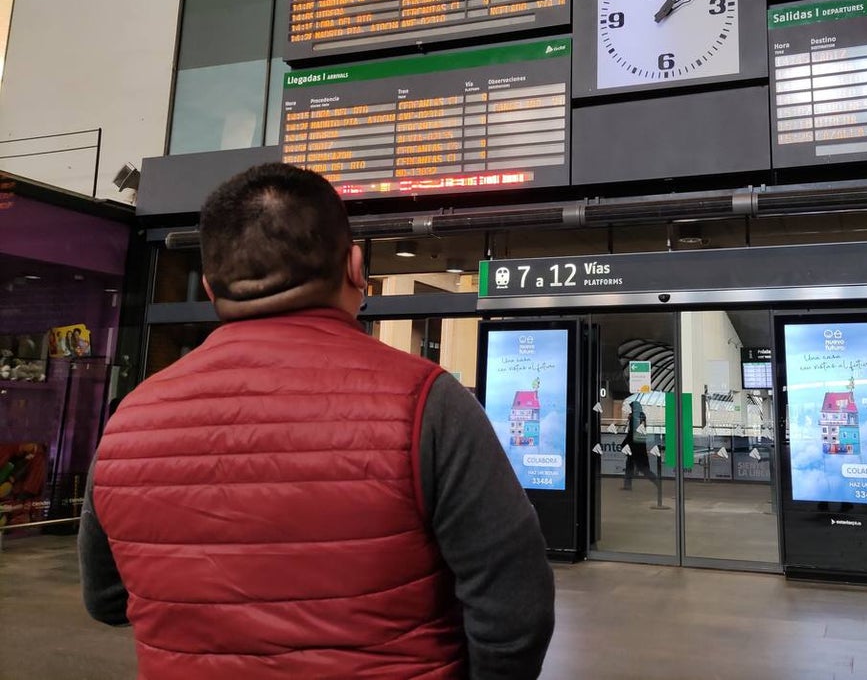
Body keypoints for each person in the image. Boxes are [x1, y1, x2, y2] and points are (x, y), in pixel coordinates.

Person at [79, 163, 554, 679]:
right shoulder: (428, 403)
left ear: (211, 288)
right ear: (355, 267)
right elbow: (515, 610)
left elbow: (107, 598)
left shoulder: (130, 420)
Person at [620, 397, 658, 491]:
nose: (631, 409)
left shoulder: (634, 417)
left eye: (632, 408)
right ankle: (628, 484)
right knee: (633, 465)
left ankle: (656, 481)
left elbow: (632, 433)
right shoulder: (642, 416)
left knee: (637, 467)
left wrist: (624, 443)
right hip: (640, 444)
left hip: (634, 445)